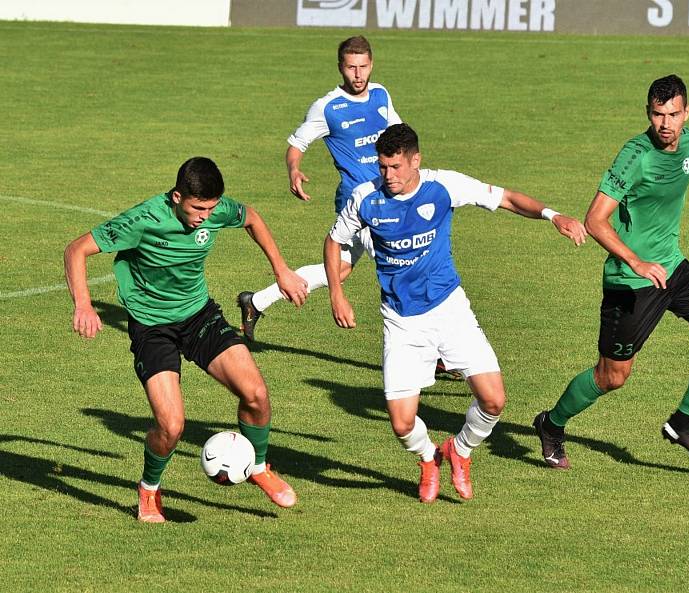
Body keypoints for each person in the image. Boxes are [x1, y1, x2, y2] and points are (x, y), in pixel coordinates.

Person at [325, 123, 587, 503]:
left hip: (450, 311)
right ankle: (429, 458)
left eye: (395, 167)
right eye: (382, 167)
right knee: (401, 423)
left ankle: (460, 451)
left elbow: (507, 199)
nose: (388, 175)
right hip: (401, 321)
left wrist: (553, 215)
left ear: (416, 161)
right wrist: (336, 292)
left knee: (495, 401)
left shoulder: (443, 186)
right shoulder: (366, 199)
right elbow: (334, 241)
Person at [532, 74, 689, 469]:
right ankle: (551, 424)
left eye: (673, 114)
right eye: (658, 115)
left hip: (672, 267)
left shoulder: (686, 140)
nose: (666, 124)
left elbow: (686, 166)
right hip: (631, 281)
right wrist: (636, 261)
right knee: (612, 377)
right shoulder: (633, 155)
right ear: (648, 114)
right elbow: (595, 219)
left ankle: (682, 423)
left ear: (686, 113)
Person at [64, 157, 309, 523]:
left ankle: (257, 466)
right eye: (197, 209)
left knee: (256, 394)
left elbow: (252, 218)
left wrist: (282, 270)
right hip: (152, 328)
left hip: (198, 316)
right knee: (172, 426)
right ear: (178, 196)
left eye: (211, 209)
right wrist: (83, 305)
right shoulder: (144, 220)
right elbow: (76, 249)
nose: (204, 217)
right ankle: (149, 490)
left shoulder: (215, 209)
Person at [237, 35, 401, 340]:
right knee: (399, 266)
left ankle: (256, 302)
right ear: (341, 66)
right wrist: (294, 169)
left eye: (363, 67)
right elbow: (296, 144)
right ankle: (432, 351)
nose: (357, 75)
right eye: (351, 67)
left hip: (388, 195)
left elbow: (399, 135)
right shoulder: (328, 108)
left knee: (339, 269)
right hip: (360, 201)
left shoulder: (380, 95)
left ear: (371, 64)